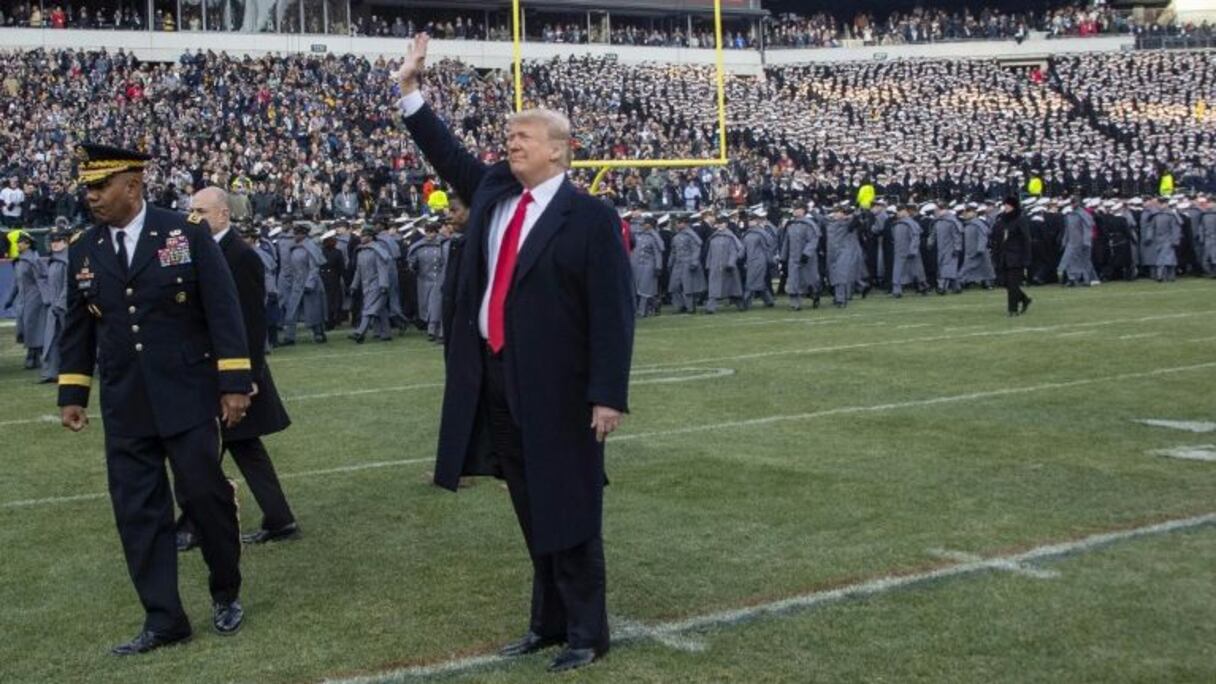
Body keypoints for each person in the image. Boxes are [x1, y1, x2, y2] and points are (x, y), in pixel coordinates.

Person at [397, 34, 634, 674]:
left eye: (523, 136)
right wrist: (411, 89)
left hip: (561, 388)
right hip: (497, 378)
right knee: (529, 503)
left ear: (558, 149)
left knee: (571, 506)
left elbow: (614, 312)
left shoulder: (589, 218)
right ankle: (547, 622)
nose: (511, 142)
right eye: (509, 136)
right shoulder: (497, 194)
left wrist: (608, 392)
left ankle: (588, 632)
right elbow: (444, 152)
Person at [57, 143, 251, 655]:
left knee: (206, 500)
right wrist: (73, 392)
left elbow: (223, 309)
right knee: (138, 514)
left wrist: (233, 383)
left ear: (133, 185)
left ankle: (225, 589)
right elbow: (78, 326)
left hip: (187, 396)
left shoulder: (184, 233)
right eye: (88, 188)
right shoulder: (84, 247)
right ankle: (165, 618)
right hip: (126, 405)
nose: (91, 196)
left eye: (101, 186)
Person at [175, 187, 297, 552]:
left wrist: (247, 377)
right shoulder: (205, 251)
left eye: (200, 210)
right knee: (240, 448)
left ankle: (194, 524)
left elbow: (251, 322)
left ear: (224, 214)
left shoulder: (240, 256)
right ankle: (279, 518)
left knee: (201, 450)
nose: (192, 218)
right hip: (218, 369)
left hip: (233, 374)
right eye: (190, 211)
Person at [4, 231, 47, 370]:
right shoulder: (18, 262)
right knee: (23, 326)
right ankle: (34, 354)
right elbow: (16, 283)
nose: (17, 245)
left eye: (20, 242)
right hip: (23, 299)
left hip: (35, 297)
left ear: (28, 244)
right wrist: (10, 299)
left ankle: (33, 355)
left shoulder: (33, 260)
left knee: (32, 326)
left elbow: (41, 280)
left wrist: (46, 298)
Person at [280, 223, 328, 344]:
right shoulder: (294, 247)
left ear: (303, 234)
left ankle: (319, 334)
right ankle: (289, 337)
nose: (294, 236)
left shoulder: (311, 246)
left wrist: (310, 283)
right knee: (291, 310)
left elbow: (314, 268)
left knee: (313, 310)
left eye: (296, 234)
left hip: (310, 283)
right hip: (297, 282)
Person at [349, 224, 393, 343]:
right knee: (380, 309)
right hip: (366, 285)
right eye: (361, 235)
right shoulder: (360, 251)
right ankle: (385, 333)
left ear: (370, 237)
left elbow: (382, 268)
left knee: (368, 309)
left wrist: (383, 284)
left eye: (364, 236)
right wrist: (354, 285)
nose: (362, 238)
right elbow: (358, 271)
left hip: (377, 284)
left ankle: (360, 332)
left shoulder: (377, 251)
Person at [991, 196, 1033, 316]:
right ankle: (1024, 299)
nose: (1006, 207)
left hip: (1016, 257)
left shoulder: (1020, 220)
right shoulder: (1001, 220)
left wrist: (1026, 258)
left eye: (1008, 205)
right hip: (1003, 257)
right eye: (1005, 205)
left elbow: (1026, 240)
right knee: (1005, 283)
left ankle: (1012, 310)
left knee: (1013, 284)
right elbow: (996, 238)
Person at [39, 226, 71, 383]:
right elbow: (45, 282)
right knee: (51, 340)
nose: (54, 243)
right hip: (54, 307)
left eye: (58, 240)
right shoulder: (53, 261)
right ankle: (52, 372)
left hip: (64, 308)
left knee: (69, 340)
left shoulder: (67, 261)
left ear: (66, 242)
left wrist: (60, 304)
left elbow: (68, 284)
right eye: (52, 240)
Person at [406, 218, 446, 341]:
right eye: (427, 231)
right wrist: (412, 265)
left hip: (439, 279)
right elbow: (412, 261)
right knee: (426, 306)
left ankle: (434, 330)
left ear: (437, 232)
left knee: (437, 305)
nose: (429, 234)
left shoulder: (443, 244)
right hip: (423, 280)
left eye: (432, 231)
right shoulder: (418, 246)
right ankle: (435, 329)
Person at [780, 205, 821, 310]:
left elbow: (813, 240)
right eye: (794, 209)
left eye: (798, 209)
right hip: (793, 257)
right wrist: (783, 257)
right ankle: (795, 304)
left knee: (809, 280)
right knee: (793, 280)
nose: (796, 211)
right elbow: (786, 241)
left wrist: (806, 253)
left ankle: (814, 294)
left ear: (803, 211)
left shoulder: (809, 224)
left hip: (807, 258)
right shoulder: (791, 225)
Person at [666, 214, 706, 314]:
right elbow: (673, 251)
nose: (677, 225)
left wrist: (694, 261)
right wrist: (670, 263)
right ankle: (680, 306)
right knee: (674, 287)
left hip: (688, 263)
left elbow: (696, 249)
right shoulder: (676, 236)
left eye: (679, 223)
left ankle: (690, 307)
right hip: (677, 264)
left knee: (688, 288)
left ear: (685, 223)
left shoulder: (691, 235)